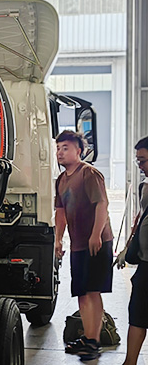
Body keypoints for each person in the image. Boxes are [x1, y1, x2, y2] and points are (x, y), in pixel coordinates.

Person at [54, 130, 114, 362]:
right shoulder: (61, 180)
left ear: (79, 151)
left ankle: (94, 342)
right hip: (78, 244)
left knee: (92, 291)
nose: (60, 152)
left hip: (96, 242)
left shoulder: (89, 173)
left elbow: (102, 204)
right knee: (81, 292)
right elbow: (60, 212)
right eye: (58, 148)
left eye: (65, 148)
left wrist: (96, 234)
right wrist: (59, 239)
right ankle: (88, 338)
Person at [120, 136, 148, 365]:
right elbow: (139, 220)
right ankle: (130, 362)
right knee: (137, 314)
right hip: (145, 264)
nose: (140, 166)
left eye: (143, 160)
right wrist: (128, 247)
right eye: (137, 161)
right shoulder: (144, 187)